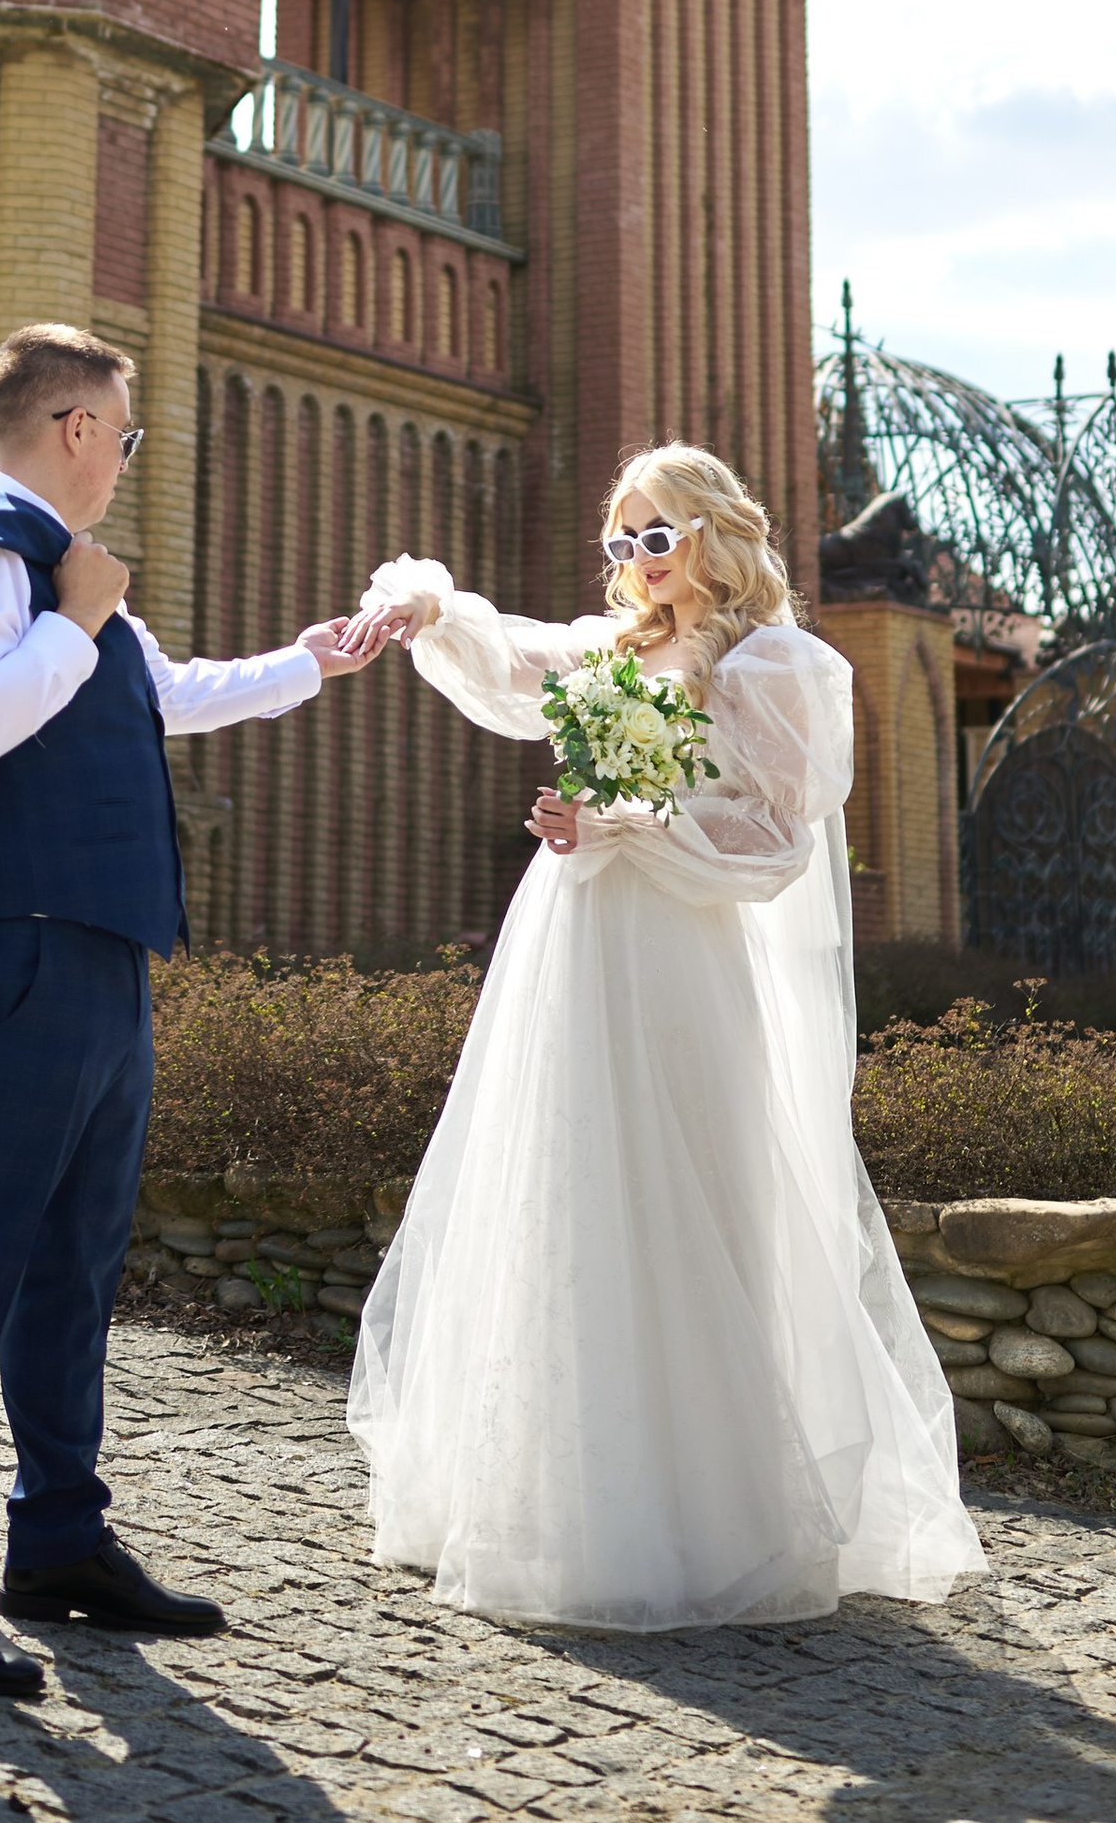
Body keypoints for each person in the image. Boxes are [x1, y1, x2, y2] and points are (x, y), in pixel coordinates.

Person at [0, 319, 376, 1701]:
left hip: (101, 954)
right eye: (125, 427)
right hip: (25, 951)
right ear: (69, 427)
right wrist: (76, 615)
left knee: (73, 1263)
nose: (129, 452)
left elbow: (159, 695)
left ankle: (57, 1539)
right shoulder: (1, 552)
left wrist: (313, 660)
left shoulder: (68, 573)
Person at [337, 441, 983, 1631]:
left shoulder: (772, 661)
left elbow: (779, 834)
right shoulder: (615, 647)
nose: (634, 559)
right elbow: (518, 654)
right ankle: (559, 1494)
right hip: (575, 936)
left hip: (680, 947)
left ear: (711, 532)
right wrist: (430, 606)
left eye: (654, 534)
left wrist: (635, 818)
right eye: (619, 539)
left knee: (691, 1183)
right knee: (569, 1181)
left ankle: (716, 1512)